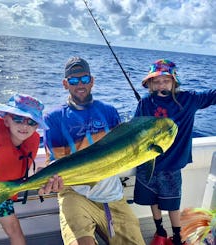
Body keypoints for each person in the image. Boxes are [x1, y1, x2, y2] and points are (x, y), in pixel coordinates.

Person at [43, 56, 145, 245]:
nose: (79, 84)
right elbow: (55, 162)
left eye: (84, 79)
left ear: (92, 81)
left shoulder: (109, 111)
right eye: (73, 80)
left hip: (112, 193)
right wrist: (51, 181)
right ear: (65, 84)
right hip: (74, 193)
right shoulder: (53, 117)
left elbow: (123, 150)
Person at [133, 59, 216, 245]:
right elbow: (134, 131)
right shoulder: (145, 103)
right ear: (150, 84)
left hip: (172, 166)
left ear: (174, 81)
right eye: (157, 81)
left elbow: (212, 95)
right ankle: (160, 232)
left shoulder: (188, 100)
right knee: (152, 200)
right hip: (149, 163)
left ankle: (177, 237)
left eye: (166, 80)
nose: (161, 84)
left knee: (172, 204)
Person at [0, 93, 49, 245]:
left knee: (15, 230)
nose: (24, 126)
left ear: (37, 126)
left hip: (1, 196)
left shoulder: (25, 148)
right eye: (18, 119)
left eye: (31, 122)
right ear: (6, 121)